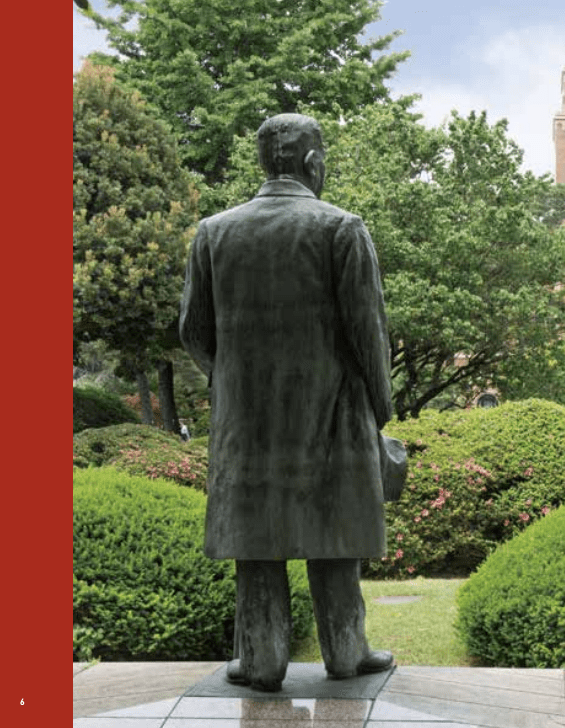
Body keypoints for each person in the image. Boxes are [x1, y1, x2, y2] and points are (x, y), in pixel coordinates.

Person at [179, 113, 394, 691]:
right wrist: (381, 408)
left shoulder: (215, 231)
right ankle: (347, 652)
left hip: (245, 422)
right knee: (335, 535)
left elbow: (193, 331)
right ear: (313, 163)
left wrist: (230, 378)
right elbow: (368, 332)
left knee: (256, 543)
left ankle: (262, 660)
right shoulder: (342, 228)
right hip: (331, 414)